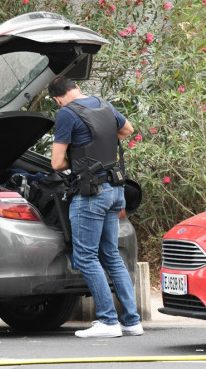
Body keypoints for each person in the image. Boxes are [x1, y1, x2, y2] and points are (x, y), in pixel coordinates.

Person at [47, 76, 143, 338]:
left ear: (57, 98)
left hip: (91, 195)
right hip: (116, 190)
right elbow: (127, 130)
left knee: (86, 257)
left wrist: (78, 159)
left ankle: (108, 321)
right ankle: (132, 321)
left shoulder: (66, 113)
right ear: (76, 88)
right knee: (110, 255)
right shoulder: (103, 104)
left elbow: (56, 163)